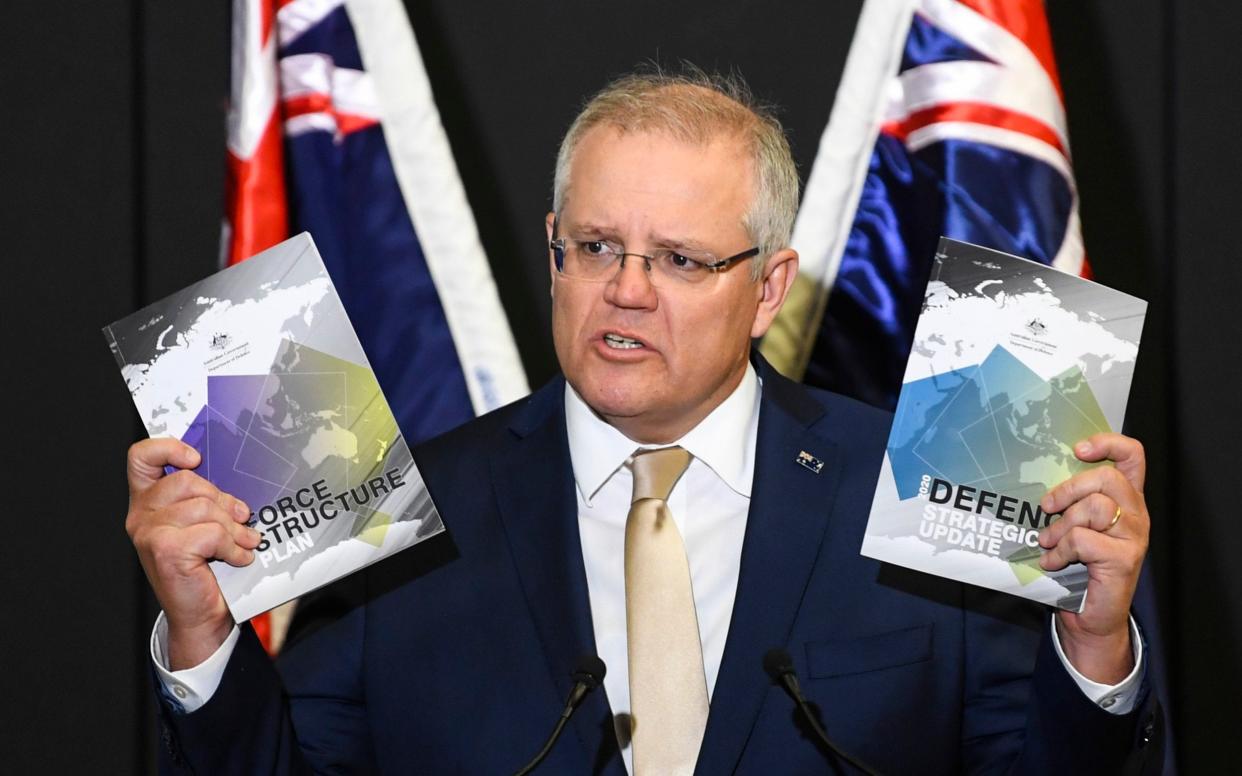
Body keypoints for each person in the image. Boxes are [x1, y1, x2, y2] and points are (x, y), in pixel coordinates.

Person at [125, 69, 1164, 774]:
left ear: (768, 289)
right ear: (552, 251)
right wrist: (204, 633)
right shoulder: (403, 512)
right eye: (594, 246)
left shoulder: (913, 493)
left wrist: (1093, 642)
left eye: (680, 258)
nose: (625, 289)